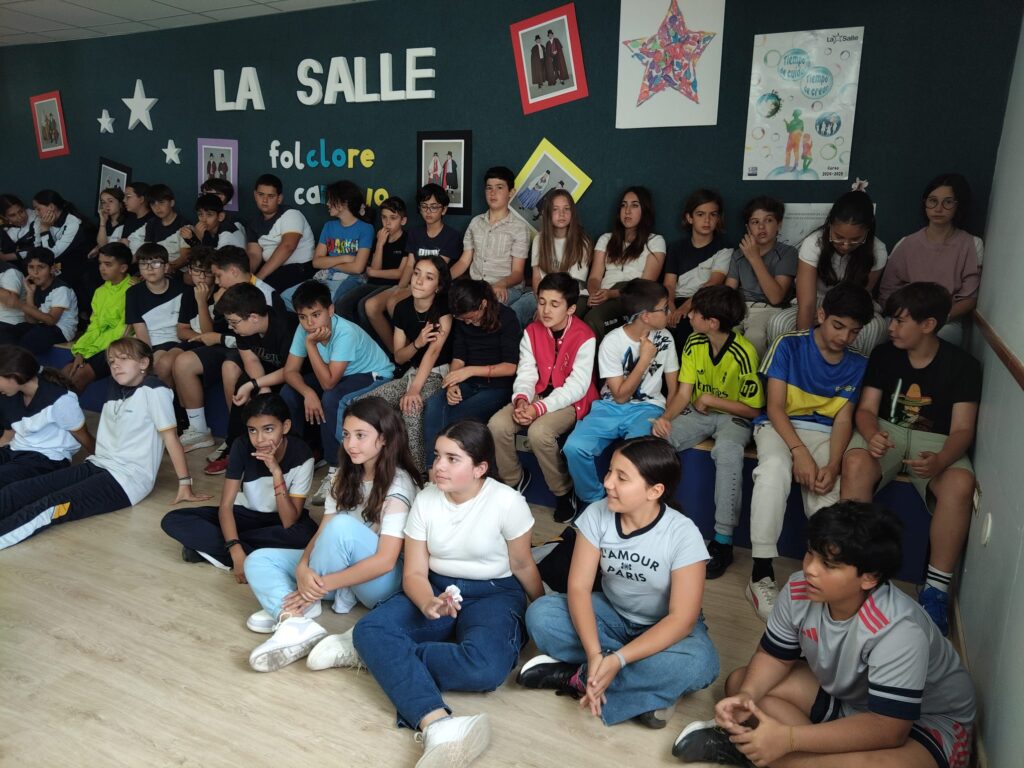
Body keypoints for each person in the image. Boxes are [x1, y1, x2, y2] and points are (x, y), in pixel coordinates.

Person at [674, 501, 976, 768]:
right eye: (810, 553)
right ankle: (764, 749)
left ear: (869, 578)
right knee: (740, 685)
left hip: (924, 724)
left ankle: (757, 752)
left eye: (828, 565)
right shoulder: (798, 589)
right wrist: (747, 696)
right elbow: (774, 657)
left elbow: (890, 729)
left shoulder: (899, 630)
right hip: (854, 701)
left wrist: (789, 739)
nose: (810, 569)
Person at [352, 420, 543, 768]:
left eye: (452, 459)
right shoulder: (426, 499)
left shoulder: (507, 502)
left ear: (480, 468)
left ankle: (382, 658)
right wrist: (428, 602)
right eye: (438, 455)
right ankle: (438, 724)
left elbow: (522, 564)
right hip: (437, 587)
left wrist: (541, 612)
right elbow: (414, 573)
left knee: (485, 669)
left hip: (494, 593)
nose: (438, 466)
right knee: (370, 629)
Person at [519, 437, 719, 727]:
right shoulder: (597, 514)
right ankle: (647, 690)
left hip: (663, 626)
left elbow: (682, 619)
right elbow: (578, 588)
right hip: (612, 615)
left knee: (702, 663)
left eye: (622, 477)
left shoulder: (683, 534)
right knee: (541, 614)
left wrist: (618, 660)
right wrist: (594, 653)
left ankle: (580, 677)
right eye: (610, 471)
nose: (608, 482)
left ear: (654, 491)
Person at [242, 397, 423, 672]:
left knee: (342, 527)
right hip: (335, 572)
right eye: (347, 435)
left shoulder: (399, 483)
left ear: (384, 438)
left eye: (361, 435)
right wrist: (303, 567)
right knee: (258, 559)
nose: (350, 444)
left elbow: (386, 561)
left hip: (381, 584)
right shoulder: (342, 477)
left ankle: (302, 601)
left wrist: (318, 586)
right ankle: (292, 619)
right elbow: (322, 532)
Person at [841, 283, 980, 637]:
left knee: (961, 483)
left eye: (900, 321)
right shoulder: (884, 355)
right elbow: (866, 410)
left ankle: (936, 590)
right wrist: (871, 434)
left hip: (937, 441)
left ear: (928, 324)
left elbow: (963, 430)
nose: (891, 328)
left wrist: (942, 460)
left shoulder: (963, 365)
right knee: (855, 463)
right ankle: (851, 569)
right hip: (886, 431)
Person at [0, 338, 211, 550]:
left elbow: (170, 438)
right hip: (98, 464)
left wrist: (185, 484)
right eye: (111, 361)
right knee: (20, 490)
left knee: (50, 506)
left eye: (123, 359)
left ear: (144, 363)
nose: (116, 365)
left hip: (127, 480)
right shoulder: (115, 387)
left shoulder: (155, 390)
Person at [745, 283, 874, 622]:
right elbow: (774, 408)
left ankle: (819, 576)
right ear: (821, 315)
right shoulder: (788, 345)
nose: (844, 337)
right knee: (773, 469)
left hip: (827, 434)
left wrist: (833, 464)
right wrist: (799, 452)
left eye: (854, 331)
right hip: (779, 426)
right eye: (838, 326)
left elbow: (844, 418)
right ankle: (760, 573)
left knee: (828, 492)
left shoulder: (859, 363)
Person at [652, 285, 764, 579]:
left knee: (728, 451)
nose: (689, 316)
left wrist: (712, 400)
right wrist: (665, 418)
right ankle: (652, 519)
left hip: (733, 417)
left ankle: (723, 542)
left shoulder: (744, 352)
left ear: (712, 322)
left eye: (695, 313)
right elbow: (683, 393)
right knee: (657, 442)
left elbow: (753, 409)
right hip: (699, 413)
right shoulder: (694, 341)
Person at [161, 393, 316, 577]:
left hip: (279, 520)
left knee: (307, 535)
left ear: (285, 426)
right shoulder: (241, 446)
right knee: (173, 519)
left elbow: (289, 520)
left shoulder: (302, 454)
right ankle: (247, 554)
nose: (259, 439)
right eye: (252, 430)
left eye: (268, 429)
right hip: (244, 515)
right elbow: (226, 507)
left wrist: (276, 473)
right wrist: (235, 550)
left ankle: (212, 550)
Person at [489, 272, 598, 523]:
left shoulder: (585, 336)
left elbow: (577, 386)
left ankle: (563, 492)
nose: (546, 310)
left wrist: (538, 409)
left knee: (539, 433)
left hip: (570, 401)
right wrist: (521, 400)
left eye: (555, 304)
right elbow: (527, 372)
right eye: (541, 302)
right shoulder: (532, 331)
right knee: (497, 425)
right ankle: (514, 481)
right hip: (536, 394)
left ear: (571, 308)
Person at [564, 278, 678, 508]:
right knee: (574, 447)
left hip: (648, 409)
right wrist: (644, 360)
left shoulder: (665, 338)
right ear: (645, 316)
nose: (669, 312)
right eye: (664, 308)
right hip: (610, 406)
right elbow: (620, 396)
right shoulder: (612, 342)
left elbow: (674, 388)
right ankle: (594, 503)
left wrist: (667, 417)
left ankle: (627, 506)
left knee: (636, 456)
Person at [281, 280, 394, 506]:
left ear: (330, 310)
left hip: (372, 374)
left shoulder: (344, 332)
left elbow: (329, 383)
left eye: (316, 315)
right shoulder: (304, 329)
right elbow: (290, 371)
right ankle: (299, 459)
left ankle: (337, 470)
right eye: (303, 317)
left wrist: (310, 346)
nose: (310, 323)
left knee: (332, 398)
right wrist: (307, 393)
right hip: (336, 374)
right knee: (289, 392)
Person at [171, 245, 284, 453]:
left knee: (230, 366)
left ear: (233, 271)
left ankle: (241, 433)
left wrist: (221, 338)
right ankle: (200, 430)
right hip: (229, 344)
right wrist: (220, 336)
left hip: (256, 353)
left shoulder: (266, 294)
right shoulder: (225, 294)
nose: (216, 281)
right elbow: (221, 333)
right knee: (183, 361)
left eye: (218, 275)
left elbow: (260, 341)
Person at [357, 255, 452, 472]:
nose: (419, 280)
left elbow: (433, 353)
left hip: (438, 373)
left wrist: (414, 390)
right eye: (417, 273)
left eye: (429, 277)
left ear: (438, 286)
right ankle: (370, 466)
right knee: (364, 404)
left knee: (411, 408)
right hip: (411, 372)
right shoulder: (402, 308)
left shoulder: (443, 309)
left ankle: (417, 475)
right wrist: (417, 343)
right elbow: (399, 356)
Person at [767, 190, 888, 355]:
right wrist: (806, 352)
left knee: (874, 328)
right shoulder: (814, 244)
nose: (845, 245)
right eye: (839, 237)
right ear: (830, 224)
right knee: (779, 323)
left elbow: (860, 300)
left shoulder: (877, 251)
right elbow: (806, 304)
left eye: (855, 239)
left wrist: (837, 321)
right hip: (816, 301)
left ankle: (851, 370)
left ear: (868, 230)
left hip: (850, 307)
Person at [421, 279, 520, 467]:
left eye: (471, 317)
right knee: (434, 405)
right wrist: (452, 384)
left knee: (455, 418)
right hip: (468, 382)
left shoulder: (507, 317)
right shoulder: (463, 319)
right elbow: (459, 357)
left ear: (483, 304)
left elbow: (510, 367)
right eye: (463, 319)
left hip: (498, 387)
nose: (468, 322)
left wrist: (470, 371)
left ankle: (450, 466)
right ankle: (433, 470)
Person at [203, 282, 297, 476]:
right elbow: (251, 360)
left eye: (234, 322)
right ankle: (234, 446)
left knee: (286, 392)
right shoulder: (243, 330)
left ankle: (293, 451)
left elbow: (291, 370)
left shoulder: (286, 326)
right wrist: (261, 388)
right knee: (242, 387)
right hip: (268, 371)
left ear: (253, 317)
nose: (230, 327)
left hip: (296, 373)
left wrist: (257, 384)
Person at [878, 173, 983, 346]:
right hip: (905, 315)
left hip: (945, 320)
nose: (938, 208)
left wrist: (938, 317)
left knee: (941, 336)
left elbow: (969, 298)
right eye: (932, 201)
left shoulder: (971, 244)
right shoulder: (906, 244)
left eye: (947, 202)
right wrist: (908, 317)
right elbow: (887, 291)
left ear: (958, 205)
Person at [364, 184, 462, 352]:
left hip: (432, 287)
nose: (428, 211)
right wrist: (400, 287)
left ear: (444, 210)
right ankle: (396, 354)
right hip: (412, 283)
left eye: (434, 207)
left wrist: (402, 292)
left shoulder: (451, 236)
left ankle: (410, 351)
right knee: (371, 305)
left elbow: (439, 270)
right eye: (424, 206)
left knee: (394, 303)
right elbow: (410, 264)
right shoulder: (416, 233)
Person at [0, 345, 93, 485]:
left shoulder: (61, 399)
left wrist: (106, 464)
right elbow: (8, 435)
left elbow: (85, 438)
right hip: (15, 450)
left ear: (14, 375)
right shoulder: (8, 396)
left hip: (48, 459)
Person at [585, 187, 667, 342]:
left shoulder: (655, 241)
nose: (627, 211)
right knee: (571, 311)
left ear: (645, 211)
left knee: (593, 320)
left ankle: (600, 358)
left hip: (630, 297)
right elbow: (594, 277)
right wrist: (596, 295)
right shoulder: (605, 239)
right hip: (602, 293)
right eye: (624, 205)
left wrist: (610, 294)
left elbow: (645, 285)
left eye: (634, 205)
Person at [725, 196, 798, 356]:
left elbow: (775, 298)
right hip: (741, 307)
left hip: (769, 309)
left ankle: (758, 373)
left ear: (779, 224)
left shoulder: (788, 253)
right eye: (755, 222)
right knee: (726, 334)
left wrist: (754, 258)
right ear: (748, 228)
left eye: (768, 220)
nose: (761, 227)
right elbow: (728, 291)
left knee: (754, 337)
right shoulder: (738, 255)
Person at [449, 166, 530, 308]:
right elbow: (463, 261)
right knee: (451, 299)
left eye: (499, 187)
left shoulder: (519, 228)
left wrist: (501, 284)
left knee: (486, 306)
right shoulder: (475, 223)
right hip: (476, 288)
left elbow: (517, 273)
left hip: (506, 288)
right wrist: (441, 279)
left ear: (511, 192)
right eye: (489, 188)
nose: (493, 193)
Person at [510, 187, 592, 325]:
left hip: (572, 296)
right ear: (548, 213)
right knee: (514, 312)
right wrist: (541, 304)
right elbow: (537, 278)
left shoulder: (582, 242)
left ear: (572, 212)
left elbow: (573, 285)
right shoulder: (540, 239)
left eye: (566, 209)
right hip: (541, 295)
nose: (561, 214)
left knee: (554, 320)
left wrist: (546, 309)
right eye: (555, 209)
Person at [663, 189, 732, 351]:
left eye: (713, 214)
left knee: (686, 331)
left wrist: (685, 309)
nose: (707, 220)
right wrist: (670, 305)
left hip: (704, 303)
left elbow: (713, 283)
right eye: (700, 214)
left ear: (718, 218)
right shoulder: (676, 247)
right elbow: (669, 284)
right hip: (677, 300)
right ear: (689, 218)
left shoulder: (725, 248)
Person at [62, 242, 133, 392]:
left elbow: (123, 331)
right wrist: (81, 352)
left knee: (78, 377)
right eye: (100, 263)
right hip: (96, 345)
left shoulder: (133, 290)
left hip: (118, 346)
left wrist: (91, 353)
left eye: (108, 264)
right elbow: (94, 326)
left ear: (123, 268)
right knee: (65, 374)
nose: (102, 268)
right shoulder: (100, 291)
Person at [293, 180, 375, 309]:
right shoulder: (329, 226)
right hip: (326, 276)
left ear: (344, 203)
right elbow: (316, 262)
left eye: (331, 200)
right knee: (288, 297)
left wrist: (330, 263)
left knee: (326, 304)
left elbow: (358, 268)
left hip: (351, 279)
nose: (327, 204)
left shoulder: (366, 228)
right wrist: (345, 258)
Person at [335, 196, 407, 328]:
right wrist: (379, 244)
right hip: (372, 284)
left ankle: (370, 339)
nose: (387, 223)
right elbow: (375, 268)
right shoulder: (379, 238)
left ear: (403, 220)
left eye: (393, 218)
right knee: (342, 304)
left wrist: (373, 272)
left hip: (392, 286)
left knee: (363, 305)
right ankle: (353, 336)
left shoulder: (407, 239)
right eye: (384, 217)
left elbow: (399, 273)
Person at [246, 173, 316, 292]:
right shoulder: (253, 222)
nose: (265, 200)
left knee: (260, 292)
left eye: (271, 196)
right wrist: (247, 276)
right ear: (255, 195)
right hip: (271, 270)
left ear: (279, 198)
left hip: (299, 269)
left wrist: (258, 279)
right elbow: (254, 254)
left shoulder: (291, 214)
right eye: (261, 194)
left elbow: (288, 246)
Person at [127, 243, 186, 385]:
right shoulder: (133, 293)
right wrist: (147, 356)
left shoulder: (183, 290)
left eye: (156, 263)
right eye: (143, 264)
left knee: (159, 366)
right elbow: (140, 329)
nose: (149, 268)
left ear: (166, 267)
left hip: (175, 339)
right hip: (148, 341)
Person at [0, 247, 78, 354]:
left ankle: (26, 364)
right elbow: (31, 320)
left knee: (30, 339)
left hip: (61, 329)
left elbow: (51, 320)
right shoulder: (35, 287)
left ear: (51, 269)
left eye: (41, 267)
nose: (35, 272)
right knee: (12, 331)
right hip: (42, 325)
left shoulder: (61, 289)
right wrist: (30, 294)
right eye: (31, 267)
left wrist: (21, 305)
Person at [31, 189, 94, 305]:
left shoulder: (73, 223)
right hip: (57, 263)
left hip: (77, 265)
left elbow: (51, 255)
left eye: (38, 209)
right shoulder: (39, 221)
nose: (36, 213)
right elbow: (37, 248)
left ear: (51, 207)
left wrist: (45, 230)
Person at [178, 193, 246, 262]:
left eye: (209, 215)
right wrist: (191, 239)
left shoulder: (228, 233)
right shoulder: (207, 230)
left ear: (220, 217)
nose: (203, 220)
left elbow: (216, 263)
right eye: (200, 214)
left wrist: (196, 240)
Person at [142, 184, 187, 272]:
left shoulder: (184, 224)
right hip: (154, 267)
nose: (157, 208)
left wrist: (167, 268)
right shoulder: (151, 223)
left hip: (176, 270)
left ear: (172, 203)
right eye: (153, 204)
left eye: (161, 202)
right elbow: (148, 251)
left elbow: (185, 257)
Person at [115, 181, 154, 255]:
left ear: (141, 199)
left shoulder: (153, 221)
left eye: (128, 197)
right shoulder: (130, 217)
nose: (124, 200)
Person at [1, 194, 37, 267]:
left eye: (21, 211)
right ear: (5, 217)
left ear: (24, 207)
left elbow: (38, 249)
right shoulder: (5, 231)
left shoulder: (37, 217)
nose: (20, 217)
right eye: (13, 215)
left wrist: (6, 257)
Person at [93, 186, 125, 254]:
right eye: (103, 202)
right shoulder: (103, 221)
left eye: (110, 201)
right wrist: (103, 222)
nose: (106, 205)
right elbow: (102, 246)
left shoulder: (127, 222)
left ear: (120, 204)